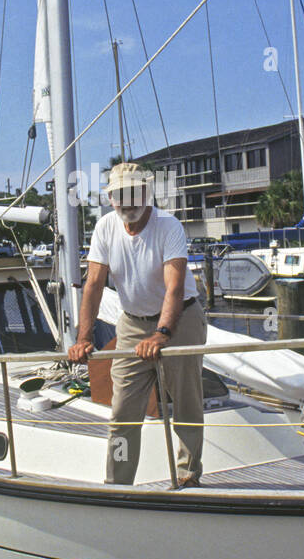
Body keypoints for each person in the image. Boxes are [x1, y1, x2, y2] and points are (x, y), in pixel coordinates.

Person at [67, 162, 207, 486]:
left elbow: (174, 286)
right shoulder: (105, 228)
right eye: (119, 195)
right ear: (111, 198)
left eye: (133, 193)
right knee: (122, 413)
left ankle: (188, 475)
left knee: (185, 402)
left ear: (146, 193)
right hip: (132, 323)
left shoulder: (168, 227)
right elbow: (93, 285)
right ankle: (117, 482)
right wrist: (83, 338)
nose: (126, 202)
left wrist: (161, 334)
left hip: (181, 318)